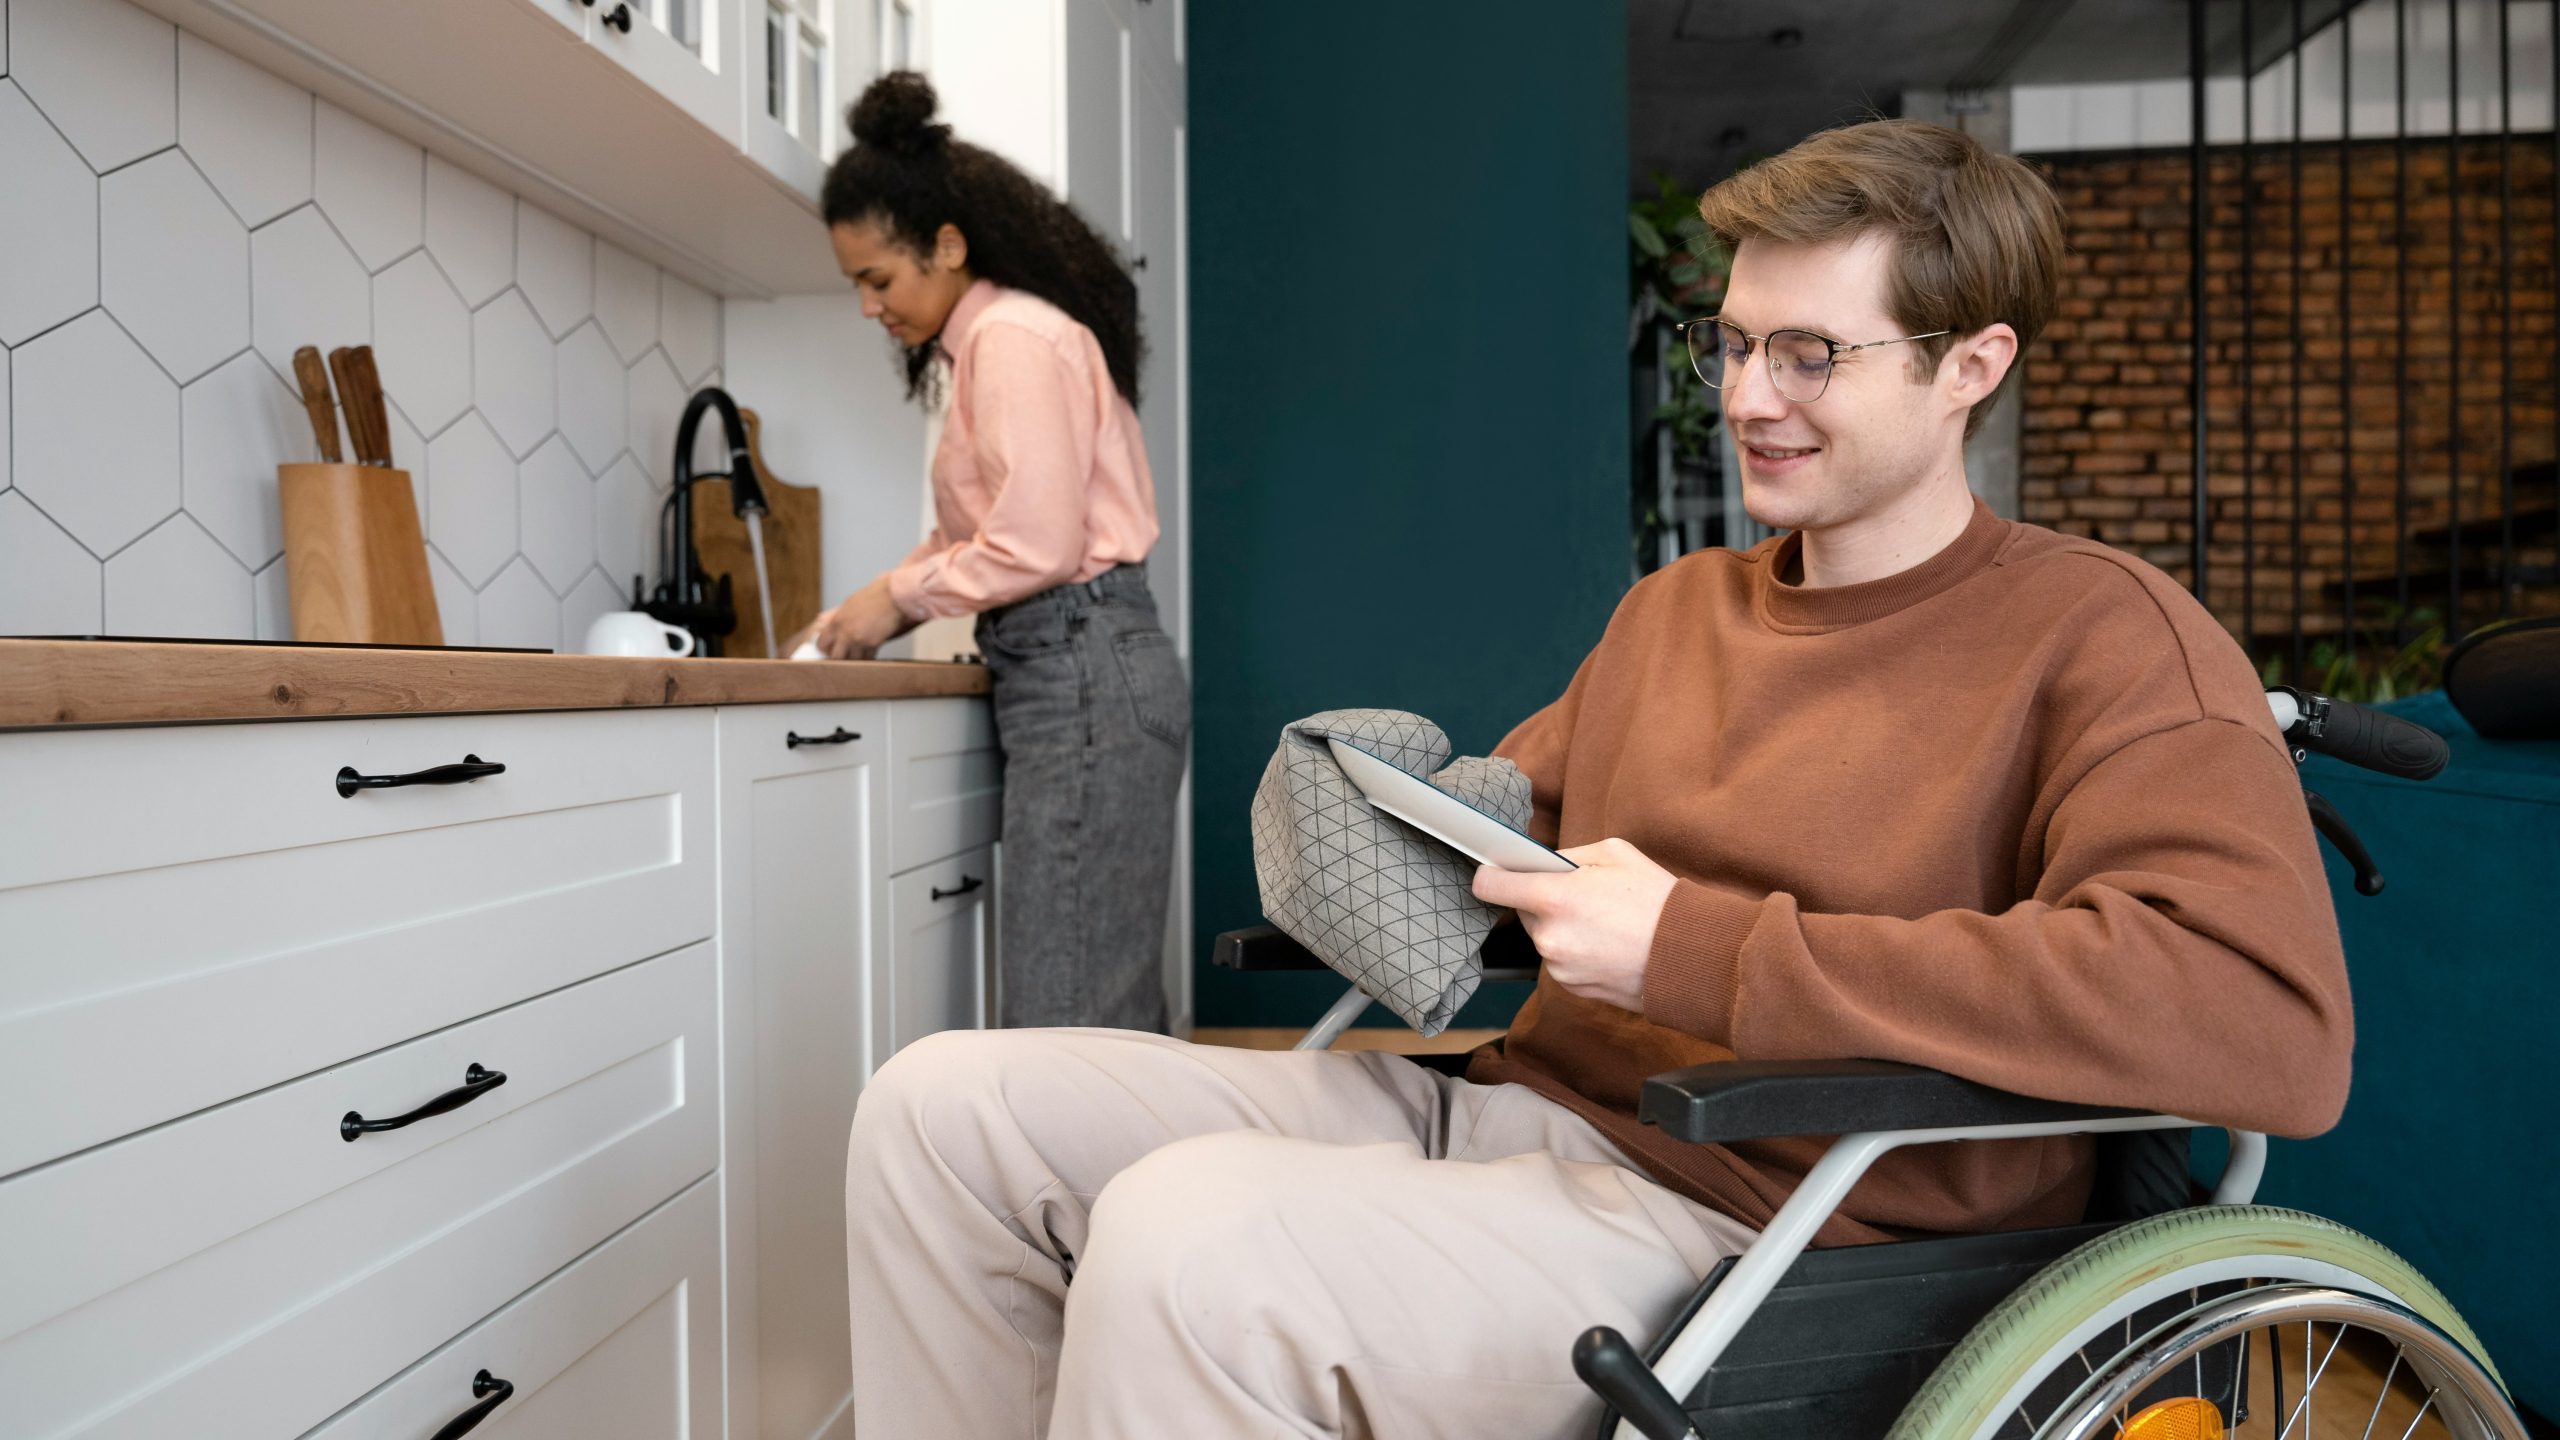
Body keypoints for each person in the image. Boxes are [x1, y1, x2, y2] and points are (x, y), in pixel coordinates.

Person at [842, 119, 2353, 1438]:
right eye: (1736, 342)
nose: (1750, 396)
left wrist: (1703, 946)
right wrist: (1388, 816)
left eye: (1812, 353)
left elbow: (2266, 1022)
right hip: (1513, 1115)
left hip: (1766, 1228)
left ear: (1974, 365)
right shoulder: (1679, 610)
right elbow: (1518, 839)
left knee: (1188, 1241)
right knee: (942, 1112)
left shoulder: (2107, 634)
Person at [796, 72, 1187, 1033]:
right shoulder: (992, 346)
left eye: (877, 279)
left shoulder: (1010, 338)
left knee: (1065, 1015)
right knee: (1095, 1001)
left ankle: (1095, 1189)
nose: (867, 308)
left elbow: (1037, 543)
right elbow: (987, 532)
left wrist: (901, 596)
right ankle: (1130, 1185)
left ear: (948, 246)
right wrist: (872, 600)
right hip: (1083, 663)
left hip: (1081, 666)